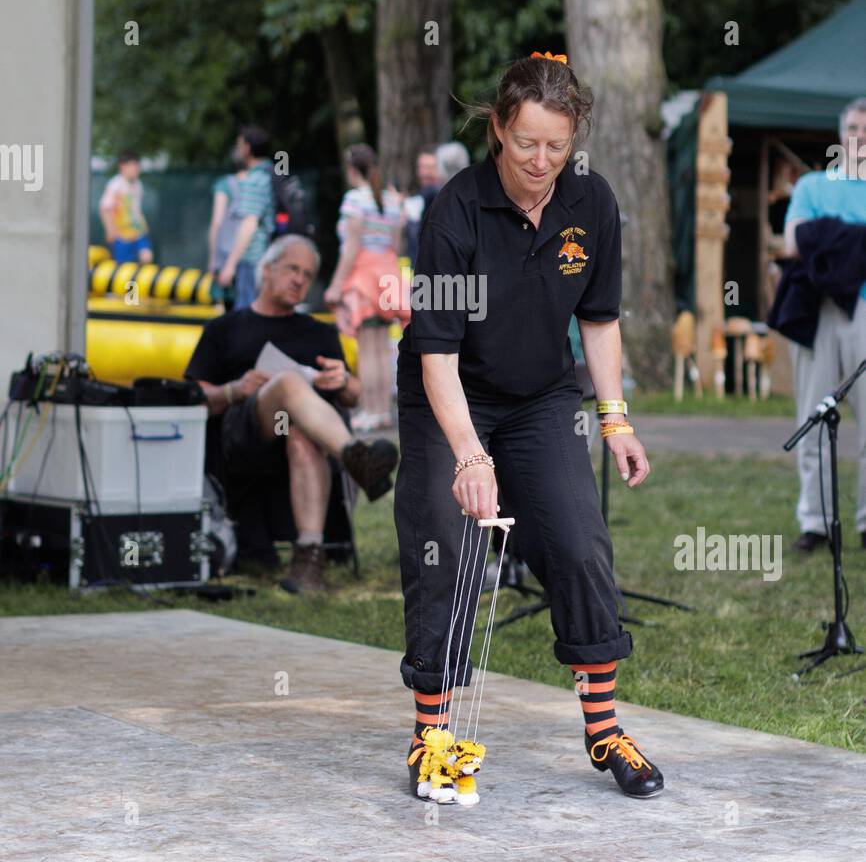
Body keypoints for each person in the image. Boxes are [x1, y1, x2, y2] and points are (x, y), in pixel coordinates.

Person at [395, 51, 662, 803]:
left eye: (557, 145)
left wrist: (615, 421)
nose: (541, 161)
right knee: (444, 550)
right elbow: (436, 354)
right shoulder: (453, 213)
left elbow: (600, 320)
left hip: (542, 399)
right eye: (526, 144)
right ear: (497, 132)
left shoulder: (592, 202)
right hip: (449, 398)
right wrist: (469, 455)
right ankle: (432, 735)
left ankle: (605, 729)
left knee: (580, 542)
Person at [186, 234, 399, 592]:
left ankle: (309, 557)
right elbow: (194, 395)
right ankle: (354, 456)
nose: (300, 279)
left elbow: (352, 395)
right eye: (292, 269)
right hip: (243, 435)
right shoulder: (225, 328)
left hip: (302, 432)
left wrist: (343, 380)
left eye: (308, 274)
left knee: (301, 435)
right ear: (267, 270)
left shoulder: (318, 331)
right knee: (287, 382)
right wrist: (233, 389)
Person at [782, 96, 866, 553]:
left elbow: (813, 237)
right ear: (841, 134)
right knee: (814, 415)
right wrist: (856, 237)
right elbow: (795, 240)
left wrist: (828, 234)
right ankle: (816, 521)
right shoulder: (814, 184)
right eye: (854, 128)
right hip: (819, 311)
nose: (861, 138)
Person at [324, 143, 410, 432]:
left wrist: (335, 286)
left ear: (351, 169)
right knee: (384, 349)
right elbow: (396, 246)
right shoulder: (390, 201)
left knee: (367, 348)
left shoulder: (354, 200)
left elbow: (351, 248)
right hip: (387, 275)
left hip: (362, 277)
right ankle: (384, 411)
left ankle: (371, 410)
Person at [217, 126, 274, 310]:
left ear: (247, 148)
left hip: (253, 260)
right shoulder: (273, 173)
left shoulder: (255, 179)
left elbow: (249, 223)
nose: (237, 149)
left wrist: (230, 264)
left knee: (246, 317)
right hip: (270, 256)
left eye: (239, 145)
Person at [207, 152, 249, 307]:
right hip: (253, 255)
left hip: (227, 253)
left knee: (230, 308)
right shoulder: (262, 183)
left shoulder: (225, 185)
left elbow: (217, 222)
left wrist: (213, 259)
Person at [99, 153, 153, 264]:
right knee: (125, 266)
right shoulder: (115, 185)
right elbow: (105, 208)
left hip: (137, 231)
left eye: (137, 166)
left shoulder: (138, 184)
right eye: (133, 166)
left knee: (146, 257)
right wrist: (109, 229)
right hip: (122, 234)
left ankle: (140, 279)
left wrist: (143, 223)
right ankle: (132, 281)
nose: (137, 169)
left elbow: (135, 208)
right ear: (123, 166)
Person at [403, 146, 442, 268]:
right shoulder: (422, 195)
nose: (424, 173)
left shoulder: (437, 192)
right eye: (421, 167)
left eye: (429, 168)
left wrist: (400, 203)